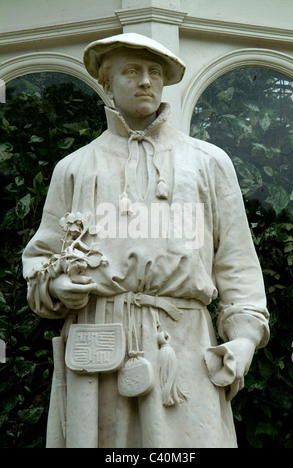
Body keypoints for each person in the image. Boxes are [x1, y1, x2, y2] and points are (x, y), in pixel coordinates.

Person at [22, 33, 269, 448]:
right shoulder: (75, 168)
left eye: (154, 72)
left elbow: (237, 261)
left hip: (184, 344)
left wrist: (244, 337)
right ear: (106, 80)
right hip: (97, 346)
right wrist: (56, 286)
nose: (145, 81)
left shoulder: (207, 162)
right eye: (131, 71)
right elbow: (42, 261)